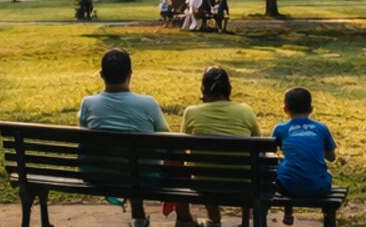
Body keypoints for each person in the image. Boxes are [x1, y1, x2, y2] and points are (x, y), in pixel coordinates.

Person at [78, 49, 166, 227]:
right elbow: (166, 139)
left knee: (127, 163)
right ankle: (149, 218)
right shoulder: (148, 104)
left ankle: (138, 218)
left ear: (102, 75)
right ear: (130, 74)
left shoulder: (88, 103)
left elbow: (83, 137)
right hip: (144, 177)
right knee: (137, 165)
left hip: (100, 175)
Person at [174, 67, 259, 227]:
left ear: (203, 89)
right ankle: (245, 222)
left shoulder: (191, 112)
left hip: (204, 183)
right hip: (241, 183)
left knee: (202, 165)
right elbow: (257, 148)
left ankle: (213, 220)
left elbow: (180, 149)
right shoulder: (245, 111)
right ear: (228, 88)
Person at [271, 87, 337, 203]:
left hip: (288, 188)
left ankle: (288, 211)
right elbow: (331, 158)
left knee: (284, 167)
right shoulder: (322, 128)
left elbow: (269, 153)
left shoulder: (280, 129)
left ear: (285, 109)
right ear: (311, 109)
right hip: (319, 188)